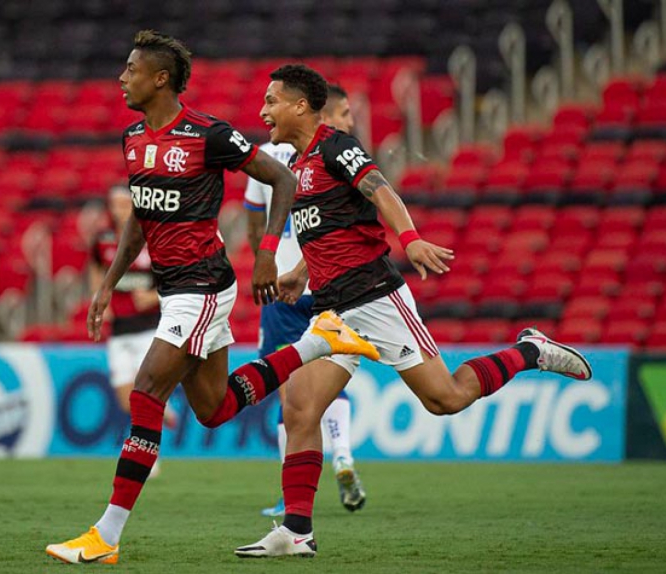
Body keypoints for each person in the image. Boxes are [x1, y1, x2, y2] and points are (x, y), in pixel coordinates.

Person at [46, 33, 379, 565]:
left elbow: (283, 178)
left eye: (131, 69)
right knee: (214, 408)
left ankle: (106, 535)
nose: (122, 78)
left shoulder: (208, 134)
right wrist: (107, 284)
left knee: (146, 392)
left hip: (201, 285)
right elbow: (141, 216)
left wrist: (267, 253)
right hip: (175, 287)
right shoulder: (133, 137)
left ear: (160, 79)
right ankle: (318, 344)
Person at [235, 64, 593, 559]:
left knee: (445, 399)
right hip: (333, 311)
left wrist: (411, 238)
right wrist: (300, 273)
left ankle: (530, 351)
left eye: (271, 101)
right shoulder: (296, 163)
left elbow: (380, 189)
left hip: (376, 299)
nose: (263, 111)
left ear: (300, 106)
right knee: (299, 408)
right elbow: (331, 231)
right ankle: (297, 531)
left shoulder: (336, 146)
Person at [245, 84, 365, 517]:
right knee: (331, 377)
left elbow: (253, 221)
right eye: (345, 113)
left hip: (282, 287)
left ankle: (287, 492)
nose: (351, 122)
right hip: (331, 286)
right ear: (324, 114)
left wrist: (266, 262)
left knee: (288, 389)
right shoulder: (342, 158)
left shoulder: (264, 156)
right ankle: (343, 455)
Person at [90, 185, 177, 477]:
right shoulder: (103, 240)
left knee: (143, 395)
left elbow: (172, 277)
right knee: (125, 397)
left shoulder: (152, 238)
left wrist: (153, 297)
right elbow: (95, 268)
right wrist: (99, 296)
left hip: (149, 328)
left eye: (124, 204)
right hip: (119, 329)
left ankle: (148, 456)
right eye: (115, 204)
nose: (120, 210)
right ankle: (164, 409)